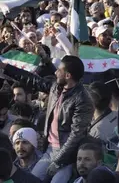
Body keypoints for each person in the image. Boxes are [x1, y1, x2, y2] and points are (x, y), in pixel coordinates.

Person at [0, 55, 93, 183]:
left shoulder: (83, 100)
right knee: (31, 180)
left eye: (59, 70)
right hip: (50, 150)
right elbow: (33, 80)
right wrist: (6, 67)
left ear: (67, 76)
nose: (55, 72)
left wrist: (59, 162)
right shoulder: (56, 87)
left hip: (67, 156)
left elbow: (76, 134)